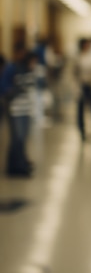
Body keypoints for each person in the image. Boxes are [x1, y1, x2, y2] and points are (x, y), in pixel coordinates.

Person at [0, 43, 38, 177]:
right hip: (15, 109)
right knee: (17, 138)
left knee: (22, 138)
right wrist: (15, 91)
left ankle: (20, 163)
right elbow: (3, 87)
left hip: (26, 109)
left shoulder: (28, 69)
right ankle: (14, 167)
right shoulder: (11, 68)